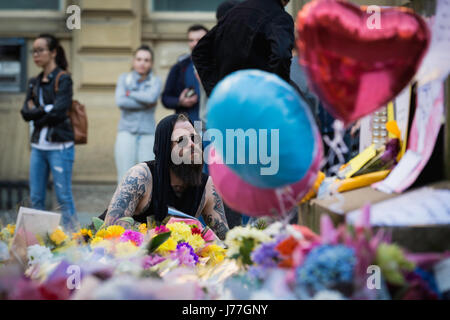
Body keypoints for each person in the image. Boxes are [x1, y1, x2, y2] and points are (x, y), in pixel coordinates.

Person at [101, 113, 229, 240]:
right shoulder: (140, 177)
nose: (191, 144)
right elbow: (111, 232)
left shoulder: (207, 185)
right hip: (116, 253)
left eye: (194, 138)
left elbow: (224, 241)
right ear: (165, 148)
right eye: (181, 140)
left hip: (177, 258)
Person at [20, 34, 78, 230]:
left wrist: (37, 114)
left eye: (40, 50)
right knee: (36, 196)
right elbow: (24, 113)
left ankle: (73, 240)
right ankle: (37, 242)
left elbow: (59, 113)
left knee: (63, 196)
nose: (36, 54)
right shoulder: (33, 82)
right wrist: (44, 110)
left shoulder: (63, 79)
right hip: (38, 147)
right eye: (34, 51)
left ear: (53, 52)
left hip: (60, 147)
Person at [192, 0, 294, 97]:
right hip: (259, 100)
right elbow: (282, 55)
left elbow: (200, 51)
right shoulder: (279, 16)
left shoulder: (235, 12)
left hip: (228, 98)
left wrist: (216, 91)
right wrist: (274, 92)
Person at [115, 45, 162, 184]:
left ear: (151, 63)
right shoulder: (124, 79)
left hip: (148, 133)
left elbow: (151, 98)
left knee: (147, 176)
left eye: (146, 60)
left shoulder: (156, 80)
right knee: (124, 175)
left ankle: (145, 206)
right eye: (139, 59)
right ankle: (124, 205)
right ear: (133, 61)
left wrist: (130, 93)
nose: (142, 63)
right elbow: (121, 102)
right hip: (126, 132)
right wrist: (144, 101)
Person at [161, 25, 208, 123]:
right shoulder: (179, 67)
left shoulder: (219, 65)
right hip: (187, 125)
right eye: (191, 40)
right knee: (192, 139)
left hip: (212, 125)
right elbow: (165, 98)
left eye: (199, 39)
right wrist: (180, 101)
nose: (195, 44)